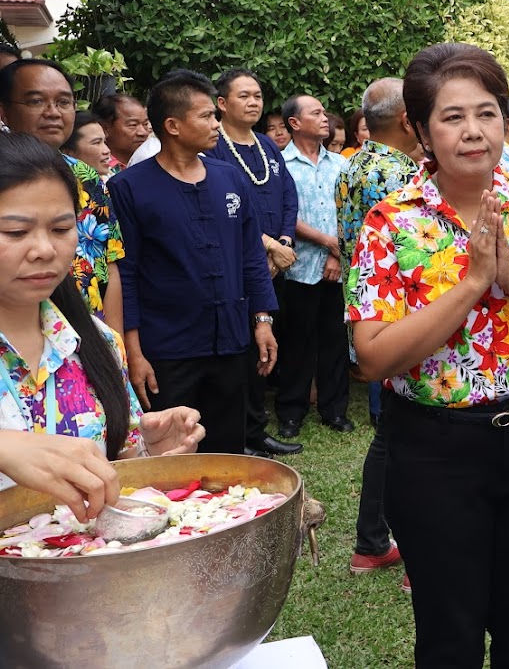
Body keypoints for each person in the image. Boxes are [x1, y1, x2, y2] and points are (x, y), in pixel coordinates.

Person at [348, 42, 509, 667]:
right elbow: (373, 358)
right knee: (449, 636)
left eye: (486, 113)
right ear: (421, 130)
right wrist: (470, 284)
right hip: (433, 450)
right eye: (452, 117)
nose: (473, 132)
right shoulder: (391, 222)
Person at [0, 132, 204, 518]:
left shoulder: (94, 341)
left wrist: (151, 452)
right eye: (15, 232)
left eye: (61, 229)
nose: (45, 249)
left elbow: (118, 467)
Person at [109, 71, 278, 455]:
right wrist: (133, 353)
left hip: (231, 342)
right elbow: (127, 274)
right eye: (206, 116)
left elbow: (251, 254)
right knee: (172, 453)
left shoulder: (230, 178)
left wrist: (263, 319)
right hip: (167, 349)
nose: (216, 124)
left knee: (227, 451)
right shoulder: (128, 189)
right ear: (172, 125)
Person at [335, 77, 419, 589]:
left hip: (368, 315)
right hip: (401, 322)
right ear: (410, 119)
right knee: (406, 437)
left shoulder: (357, 163)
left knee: (391, 433)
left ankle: (372, 542)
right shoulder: (396, 174)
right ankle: (405, 548)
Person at [204, 68, 300, 460]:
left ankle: (258, 432)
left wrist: (284, 242)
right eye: (243, 95)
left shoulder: (266, 144)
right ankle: (239, 434)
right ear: (222, 104)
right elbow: (225, 207)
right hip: (237, 266)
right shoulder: (213, 148)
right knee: (240, 352)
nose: (254, 102)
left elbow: (289, 196)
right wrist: (266, 247)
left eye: (257, 95)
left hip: (274, 264)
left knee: (267, 348)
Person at [0, 60, 124, 325]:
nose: (53, 112)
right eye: (35, 101)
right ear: (4, 111)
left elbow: (110, 263)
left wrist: (116, 346)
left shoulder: (88, 176)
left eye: (64, 102)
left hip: (88, 333)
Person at [276, 95, 351, 436]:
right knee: (297, 341)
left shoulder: (340, 165)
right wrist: (324, 242)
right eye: (316, 113)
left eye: (324, 112)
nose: (325, 118)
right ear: (295, 123)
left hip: (336, 268)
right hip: (297, 267)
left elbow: (350, 215)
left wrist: (336, 254)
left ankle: (335, 411)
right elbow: (282, 216)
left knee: (335, 340)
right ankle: (291, 413)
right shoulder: (280, 166)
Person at [92, 93, 151, 173]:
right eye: (133, 125)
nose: (143, 132)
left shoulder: (151, 162)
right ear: (104, 128)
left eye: (145, 124)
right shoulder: (95, 170)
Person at [61, 111, 113, 177]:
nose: (107, 150)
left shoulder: (111, 181)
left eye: (104, 142)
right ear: (68, 153)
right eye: (97, 143)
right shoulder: (58, 185)